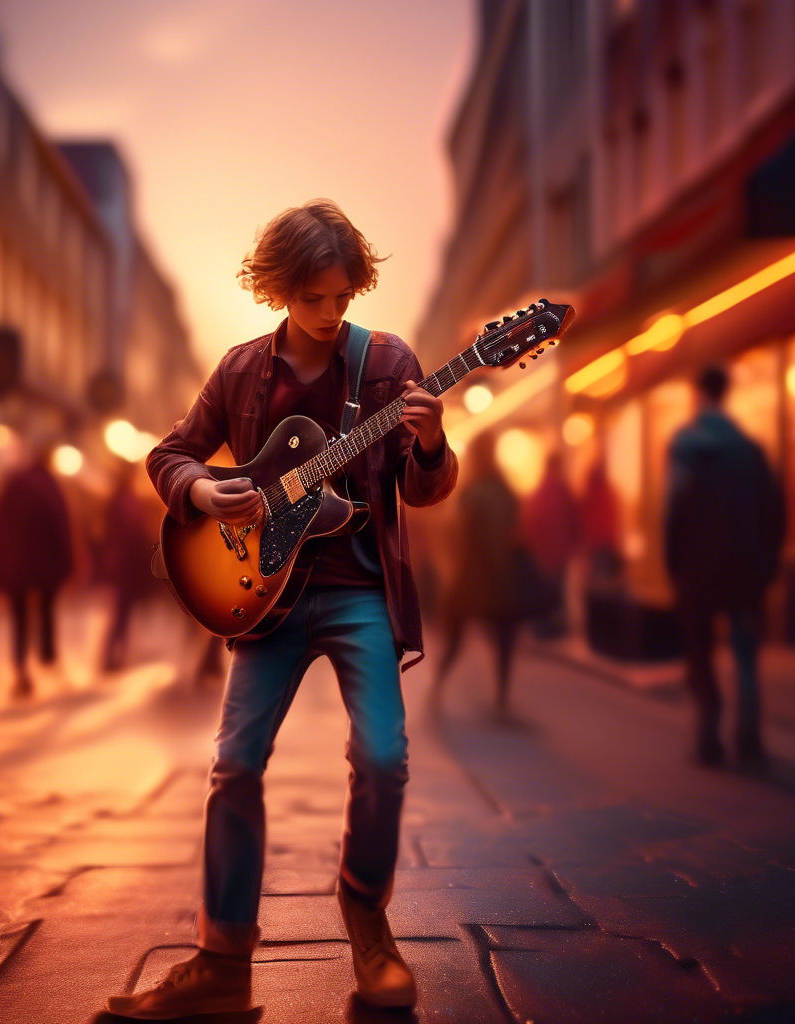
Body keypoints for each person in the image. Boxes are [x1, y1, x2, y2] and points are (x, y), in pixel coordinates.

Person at [106, 199, 457, 1019]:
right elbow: (170, 453)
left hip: (360, 591)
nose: (331, 314)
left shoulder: (388, 363)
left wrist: (432, 444)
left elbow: (423, 489)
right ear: (278, 290)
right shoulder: (239, 372)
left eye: (343, 297)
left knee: (382, 757)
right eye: (312, 298)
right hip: (261, 600)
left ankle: (366, 918)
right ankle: (222, 962)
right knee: (235, 765)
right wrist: (200, 491)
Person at [664, 366, 785, 768]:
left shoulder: (684, 448)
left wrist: (673, 567)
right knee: (746, 657)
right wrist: (766, 568)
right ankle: (749, 738)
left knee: (700, 655)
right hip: (745, 571)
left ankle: (709, 735)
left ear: (700, 395)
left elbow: (672, 512)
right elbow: (774, 513)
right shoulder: (750, 451)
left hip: (697, 573)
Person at [431, 432, 525, 714]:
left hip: (468, 578)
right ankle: (502, 696)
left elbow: (453, 535)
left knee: (454, 640)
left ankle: (437, 687)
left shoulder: (470, 492)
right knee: (505, 638)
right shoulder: (502, 491)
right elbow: (510, 533)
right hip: (496, 578)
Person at [0, 441, 74, 698]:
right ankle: (47, 654)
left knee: (19, 618)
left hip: (15, 562)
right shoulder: (49, 486)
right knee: (46, 609)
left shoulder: (14, 483)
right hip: (44, 564)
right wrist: (67, 562)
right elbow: (60, 526)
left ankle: (21, 669)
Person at [100, 464, 156, 672]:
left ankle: (114, 654)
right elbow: (131, 534)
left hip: (124, 564)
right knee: (121, 612)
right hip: (126, 565)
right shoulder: (126, 502)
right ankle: (112, 656)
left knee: (122, 612)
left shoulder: (120, 500)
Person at [521, 452, 578, 636]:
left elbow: (530, 521)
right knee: (557, 591)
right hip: (558, 550)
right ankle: (556, 628)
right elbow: (574, 518)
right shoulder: (562, 490)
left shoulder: (540, 490)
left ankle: (542, 627)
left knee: (543, 590)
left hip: (540, 552)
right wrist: (574, 544)